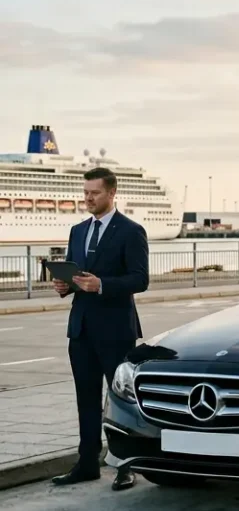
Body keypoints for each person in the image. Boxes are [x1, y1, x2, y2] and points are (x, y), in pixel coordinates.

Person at [50, 166, 149, 491]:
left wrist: (102, 285)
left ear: (111, 193)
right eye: (85, 192)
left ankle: (125, 466)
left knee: (120, 401)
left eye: (94, 193)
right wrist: (66, 286)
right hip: (81, 328)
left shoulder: (130, 230)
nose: (87, 198)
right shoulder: (78, 230)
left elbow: (140, 279)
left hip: (116, 329)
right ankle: (87, 463)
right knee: (86, 399)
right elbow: (75, 273)